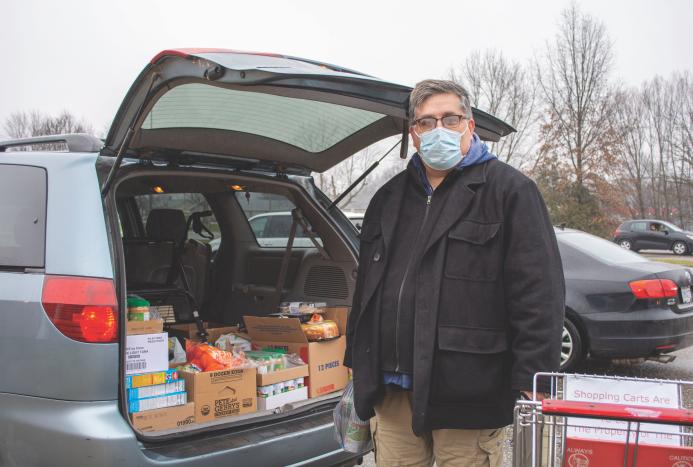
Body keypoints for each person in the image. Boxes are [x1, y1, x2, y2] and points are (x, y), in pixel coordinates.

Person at [343, 80, 565, 466]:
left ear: (470, 124)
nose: (438, 129)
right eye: (427, 122)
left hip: (468, 390)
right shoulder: (388, 199)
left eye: (450, 118)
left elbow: (538, 294)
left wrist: (534, 377)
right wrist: (357, 366)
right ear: (414, 134)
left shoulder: (510, 192)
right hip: (393, 392)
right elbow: (367, 291)